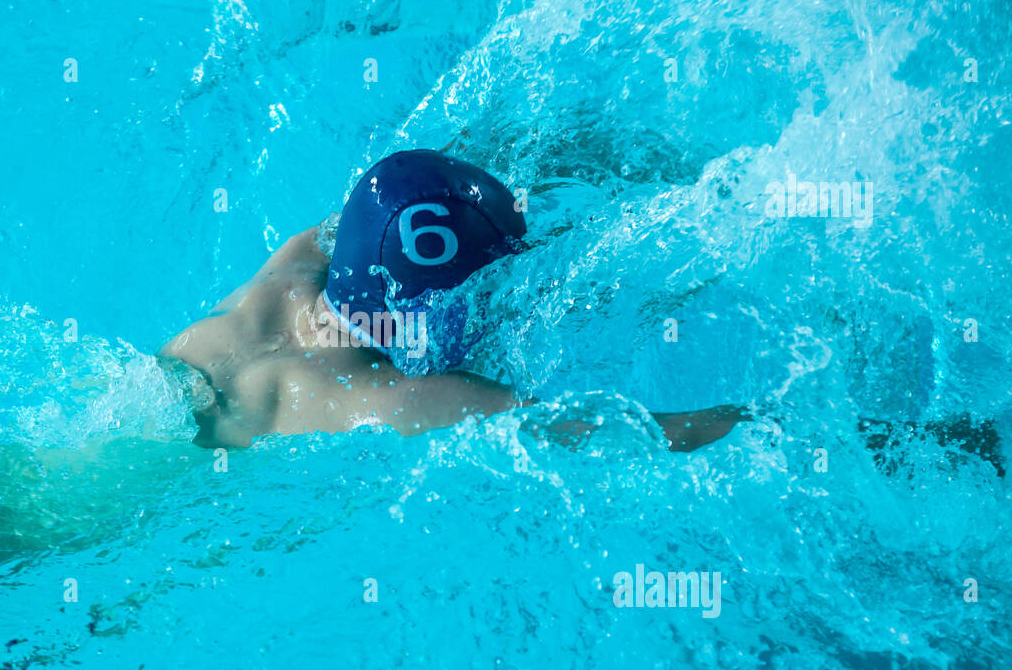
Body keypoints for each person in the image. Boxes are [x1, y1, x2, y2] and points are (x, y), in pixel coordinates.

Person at [159, 149, 749, 451]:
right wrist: (774, 420)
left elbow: (391, 199)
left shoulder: (291, 266)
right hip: (162, 506)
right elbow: (633, 432)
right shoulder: (392, 396)